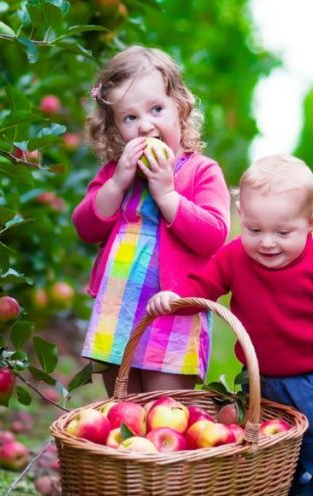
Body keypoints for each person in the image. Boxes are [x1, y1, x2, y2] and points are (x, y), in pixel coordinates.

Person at [147, 155, 313, 496]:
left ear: (311, 222)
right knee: (272, 447)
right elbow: (204, 285)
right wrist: (176, 299)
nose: (267, 243)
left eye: (283, 233)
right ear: (240, 214)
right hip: (260, 378)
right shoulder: (234, 255)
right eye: (254, 229)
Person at [72, 46, 231, 396]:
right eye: (129, 118)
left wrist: (167, 195)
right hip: (118, 307)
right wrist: (117, 182)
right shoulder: (116, 174)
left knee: (165, 407)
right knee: (122, 405)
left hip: (173, 310)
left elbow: (213, 236)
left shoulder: (200, 171)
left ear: (181, 109)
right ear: (114, 129)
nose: (145, 125)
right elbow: (85, 226)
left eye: (156, 109)